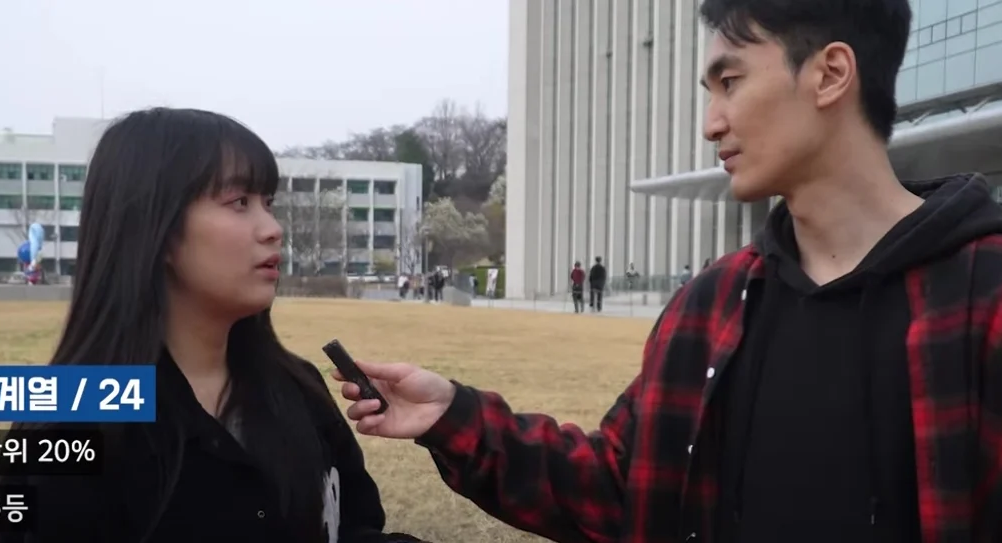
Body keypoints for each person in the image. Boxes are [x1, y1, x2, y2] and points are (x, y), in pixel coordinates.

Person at [331, 1, 1002, 542]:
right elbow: (623, 486)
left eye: (730, 81)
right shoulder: (710, 304)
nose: (711, 123)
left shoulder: (983, 293)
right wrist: (455, 416)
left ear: (829, 74)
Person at [0, 108, 423, 543]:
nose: (272, 228)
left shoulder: (298, 390)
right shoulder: (73, 428)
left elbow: (353, 528)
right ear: (155, 227)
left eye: (268, 204)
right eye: (238, 203)